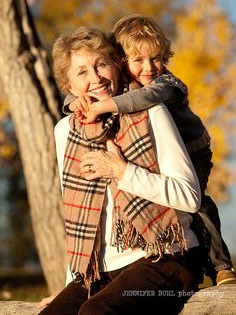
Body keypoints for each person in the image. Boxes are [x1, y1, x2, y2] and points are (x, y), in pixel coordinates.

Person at [39, 26, 204, 315]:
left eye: (101, 64)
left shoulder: (151, 112)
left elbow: (190, 197)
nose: (96, 78)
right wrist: (72, 285)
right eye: (82, 72)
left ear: (116, 65)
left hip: (167, 257)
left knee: (96, 313)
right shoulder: (66, 131)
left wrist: (122, 172)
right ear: (69, 86)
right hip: (101, 272)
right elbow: (78, 219)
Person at [63, 14, 236, 286]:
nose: (149, 68)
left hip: (193, 151)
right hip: (161, 154)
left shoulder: (166, 85)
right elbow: (72, 93)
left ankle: (219, 265)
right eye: (138, 60)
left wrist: (98, 106)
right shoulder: (113, 93)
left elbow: (141, 98)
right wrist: (75, 103)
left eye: (156, 58)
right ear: (121, 62)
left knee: (197, 203)